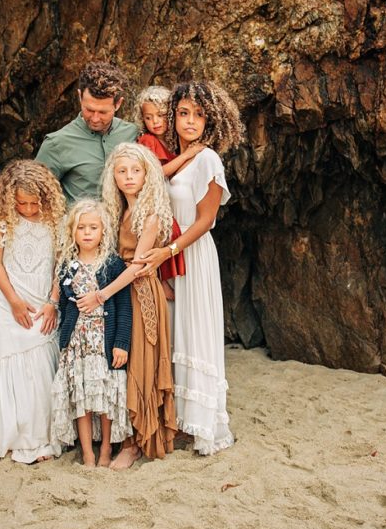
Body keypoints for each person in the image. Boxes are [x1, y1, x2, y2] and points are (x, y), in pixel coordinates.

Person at [134, 81, 244, 456]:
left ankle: (204, 425)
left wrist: (168, 251)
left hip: (192, 255)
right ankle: (180, 421)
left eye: (199, 114)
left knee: (195, 333)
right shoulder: (167, 157)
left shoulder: (209, 160)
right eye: (184, 113)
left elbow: (205, 220)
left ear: (211, 120)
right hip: (169, 257)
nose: (191, 121)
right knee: (175, 335)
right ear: (172, 117)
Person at [75, 142, 177, 469]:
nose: (129, 177)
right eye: (122, 171)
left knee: (140, 365)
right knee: (121, 361)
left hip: (141, 292)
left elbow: (136, 266)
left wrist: (101, 295)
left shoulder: (151, 214)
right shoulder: (121, 211)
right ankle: (122, 436)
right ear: (113, 177)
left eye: (136, 170)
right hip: (122, 293)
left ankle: (136, 444)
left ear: (147, 174)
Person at [0, 61, 138, 256]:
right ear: (80, 97)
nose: (96, 118)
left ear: (118, 104)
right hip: (77, 249)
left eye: (103, 112)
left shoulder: (132, 133)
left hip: (126, 245)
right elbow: (26, 191)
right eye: (89, 110)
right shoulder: (57, 143)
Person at [0, 160, 67, 464]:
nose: (29, 209)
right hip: (10, 302)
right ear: (9, 198)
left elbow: (61, 263)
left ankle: (46, 437)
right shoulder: (0, 220)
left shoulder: (56, 220)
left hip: (44, 301)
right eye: (22, 203)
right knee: (18, 369)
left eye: (35, 203)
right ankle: (24, 441)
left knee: (43, 369)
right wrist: (15, 301)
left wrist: (53, 302)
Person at [50, 199, 133, 467]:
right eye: (81, 227)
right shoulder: (67, 266)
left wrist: (121, 343)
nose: (87, 232)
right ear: (72, 232)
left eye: (93, 227)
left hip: (103, 342)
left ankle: (107, 449)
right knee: (81, 398)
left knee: (105, 397)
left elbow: (123, 307)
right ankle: (87, 453)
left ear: (103, 231)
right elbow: (64, 305)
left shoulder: (112, 265)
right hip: (78, 344)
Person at [134, 85, 204, 177]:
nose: (155, 121)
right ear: (142, 119)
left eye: (161, 115)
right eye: (148, 118)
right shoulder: (148, 141)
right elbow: (155, 175)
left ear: (171, 114)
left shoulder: (176, 141)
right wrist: (186, 155)